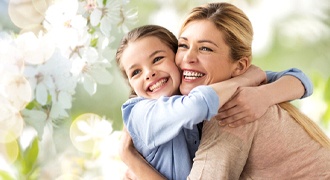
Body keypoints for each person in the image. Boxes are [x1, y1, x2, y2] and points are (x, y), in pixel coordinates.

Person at [119, 2, 330, 179]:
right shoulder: (237, 90)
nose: (188, 58)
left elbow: (300, 79)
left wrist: (134, 163)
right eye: (183, 46)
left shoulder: (235, 108)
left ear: (239, 66)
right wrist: (249, 79)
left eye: (205, 48)